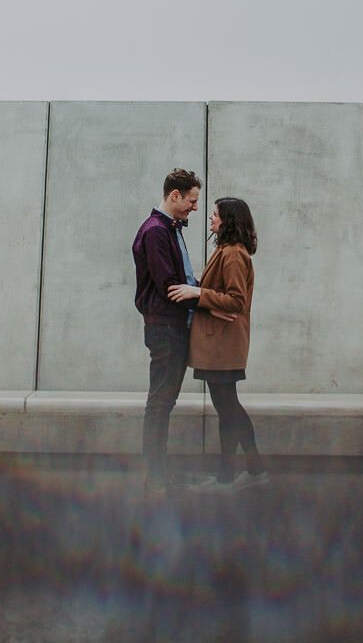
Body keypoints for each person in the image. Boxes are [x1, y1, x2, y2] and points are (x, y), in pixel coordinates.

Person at [168, 197, 268, 493]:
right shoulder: (226, 251)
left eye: (215, 214)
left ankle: (239, 474)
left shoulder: (234, 254)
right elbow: (218, 293)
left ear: (228, 220)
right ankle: (246, 471)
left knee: (229, 409)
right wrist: (199, 291)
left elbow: (236, 301)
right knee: (228, 409)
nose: (211, 218)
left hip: (223, 345)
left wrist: (196, 293)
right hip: (219, 345)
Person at [132, 168, 202, 495]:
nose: (195, 208)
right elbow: (169, 286)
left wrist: (200, 290)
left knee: (164, 401)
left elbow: (181, 281)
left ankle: (158, 473)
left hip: (171, 327)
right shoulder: (157, 231)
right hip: (165, 328)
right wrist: (207, 300)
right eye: (191, 200)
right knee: (160, 402)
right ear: (174, 195)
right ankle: (154, 476)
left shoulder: (167, 229)